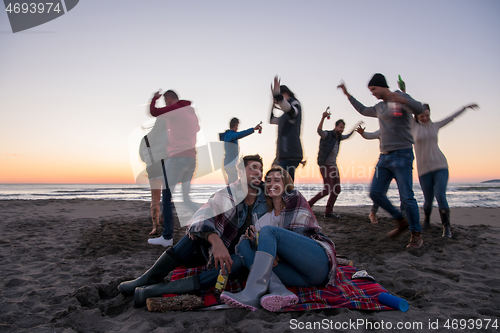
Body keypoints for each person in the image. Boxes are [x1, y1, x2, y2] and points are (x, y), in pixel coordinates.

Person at [117, 155, 269, 307]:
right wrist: (216, 242)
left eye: (261, 169)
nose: (258, 172)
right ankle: (148, 278)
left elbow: (286, 211)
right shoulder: (230, 192)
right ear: (241, 172)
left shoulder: (268, 195)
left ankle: (158, 289)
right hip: (215, 251)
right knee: (194, 236)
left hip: (243, 256)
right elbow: (201, 217)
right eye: (253, 168)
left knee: (235, 263)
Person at [220, 166, 337, 312]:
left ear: (286, 184)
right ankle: (280, 290)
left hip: (316, 264)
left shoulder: (295, 199)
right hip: (300, 278)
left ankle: (252, 293)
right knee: (244, 243)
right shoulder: (265, 219)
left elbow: (301, 235)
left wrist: (277, 254)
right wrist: (252, 239)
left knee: (268, 232)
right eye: (268, 180)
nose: (271, 183)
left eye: (277, 180)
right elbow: (258, 246)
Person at [338, 73, 425, 249]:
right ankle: (400, 220)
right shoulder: (379, 107)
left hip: (402, 154)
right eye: (370, 90)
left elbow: (420, 109)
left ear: (383, 86)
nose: (372, 93)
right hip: (384, 157)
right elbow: (363, 109)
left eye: (373, 89)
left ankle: (416, 235)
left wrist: (401, 98)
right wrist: (348, 95)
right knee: (375, 192)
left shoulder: (399, 99)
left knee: (407, 197)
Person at [412, 103, 479, 238]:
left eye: (427, 115)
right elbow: (406, 108)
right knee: (428, 200)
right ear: (417, 116)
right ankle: (427, 219)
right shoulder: (413, 127)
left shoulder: (435, 125)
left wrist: (464, 108)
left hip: (440, 166)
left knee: (440, 195)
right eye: (422, 116)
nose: (425, 118)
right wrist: (403, 93)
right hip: (423, 170)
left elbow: (451, 117)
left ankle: (446, 227)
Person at [147, 90, 200, 247]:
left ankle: (167, 237)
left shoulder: (175, 109)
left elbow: (154, 112)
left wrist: (154, 99)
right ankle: (210, 220)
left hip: (177, 157)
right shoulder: (191, 113)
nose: (166, 104)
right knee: (185, 198)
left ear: (169, 99)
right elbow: (196, 129)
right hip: (191, 158)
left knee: (167, 198)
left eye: (166, 101)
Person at [308, 111, 356, 218]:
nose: (341, 129)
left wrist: (355, 129)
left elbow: (347, 136)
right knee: (327, 189)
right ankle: (308, 205)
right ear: (336, 126)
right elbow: (319, 130)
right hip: (325, 165)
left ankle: (328, 212)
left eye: (343, 128)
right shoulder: (327, 135)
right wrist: (323, 118)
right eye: (340, 127)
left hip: (334, 166)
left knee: (337, 189)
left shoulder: (339, 138)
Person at [270, 76, 303, 181]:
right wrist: (273, 103)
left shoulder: (295, 103)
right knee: (281, 183)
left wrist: (278, 96)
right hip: (283, 155)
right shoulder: (284, 116)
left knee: (282, 183)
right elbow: (271, 120)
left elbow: (291, 110)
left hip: (291, 154)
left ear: (285, 94)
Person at [138, 118, 169, 235]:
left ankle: (155, 227)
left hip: (152, 170)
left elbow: (141, 156)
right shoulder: (168, 136)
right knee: (166, 197)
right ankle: (163, 218)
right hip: (166, 168)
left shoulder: (145, 139)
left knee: (155, 199)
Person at [219, 117, 262, 184]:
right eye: (237, 126)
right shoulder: (230, 135)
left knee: (233, 183)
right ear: (236, 126)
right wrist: (253, 129)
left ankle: (231, 192)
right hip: (230, 164)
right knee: (234, 184)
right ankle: (232, 193)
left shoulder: (229, 135)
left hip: (230, 164)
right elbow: (240, 134)